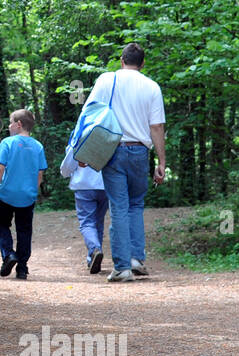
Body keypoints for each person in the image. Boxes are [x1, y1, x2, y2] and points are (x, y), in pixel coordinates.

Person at [82, 43, 167, 282]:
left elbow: (88, 114)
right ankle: (136, 260)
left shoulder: (106, 80)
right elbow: (156, 127)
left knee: (118, 206)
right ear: (143, 63)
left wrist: (82, 152)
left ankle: (122, 267)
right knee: (136, 205)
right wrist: (162, 161)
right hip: (141, 152)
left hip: (112, 150)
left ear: (121, 60)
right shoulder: (152, 87)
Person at [0, 109, 47, 280]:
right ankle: (22, 268)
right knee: (24, 231)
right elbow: (40, 174)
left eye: (10, 122)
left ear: (19, 124)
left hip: (6, 195)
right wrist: (33, 191)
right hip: (27, 197)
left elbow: (0, 168)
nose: (8, 126)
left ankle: (9, 254)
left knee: (2, 225)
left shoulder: (7, 143)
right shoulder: (38, 146)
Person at [59, 149, 108, 274]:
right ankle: (92, 257)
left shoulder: (80, 132)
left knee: (87, 222)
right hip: (105, 184)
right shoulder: (110, 132)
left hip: (84, 185)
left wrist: (64, 172)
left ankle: (94, 249)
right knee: (98, 222)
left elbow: (69, 161)